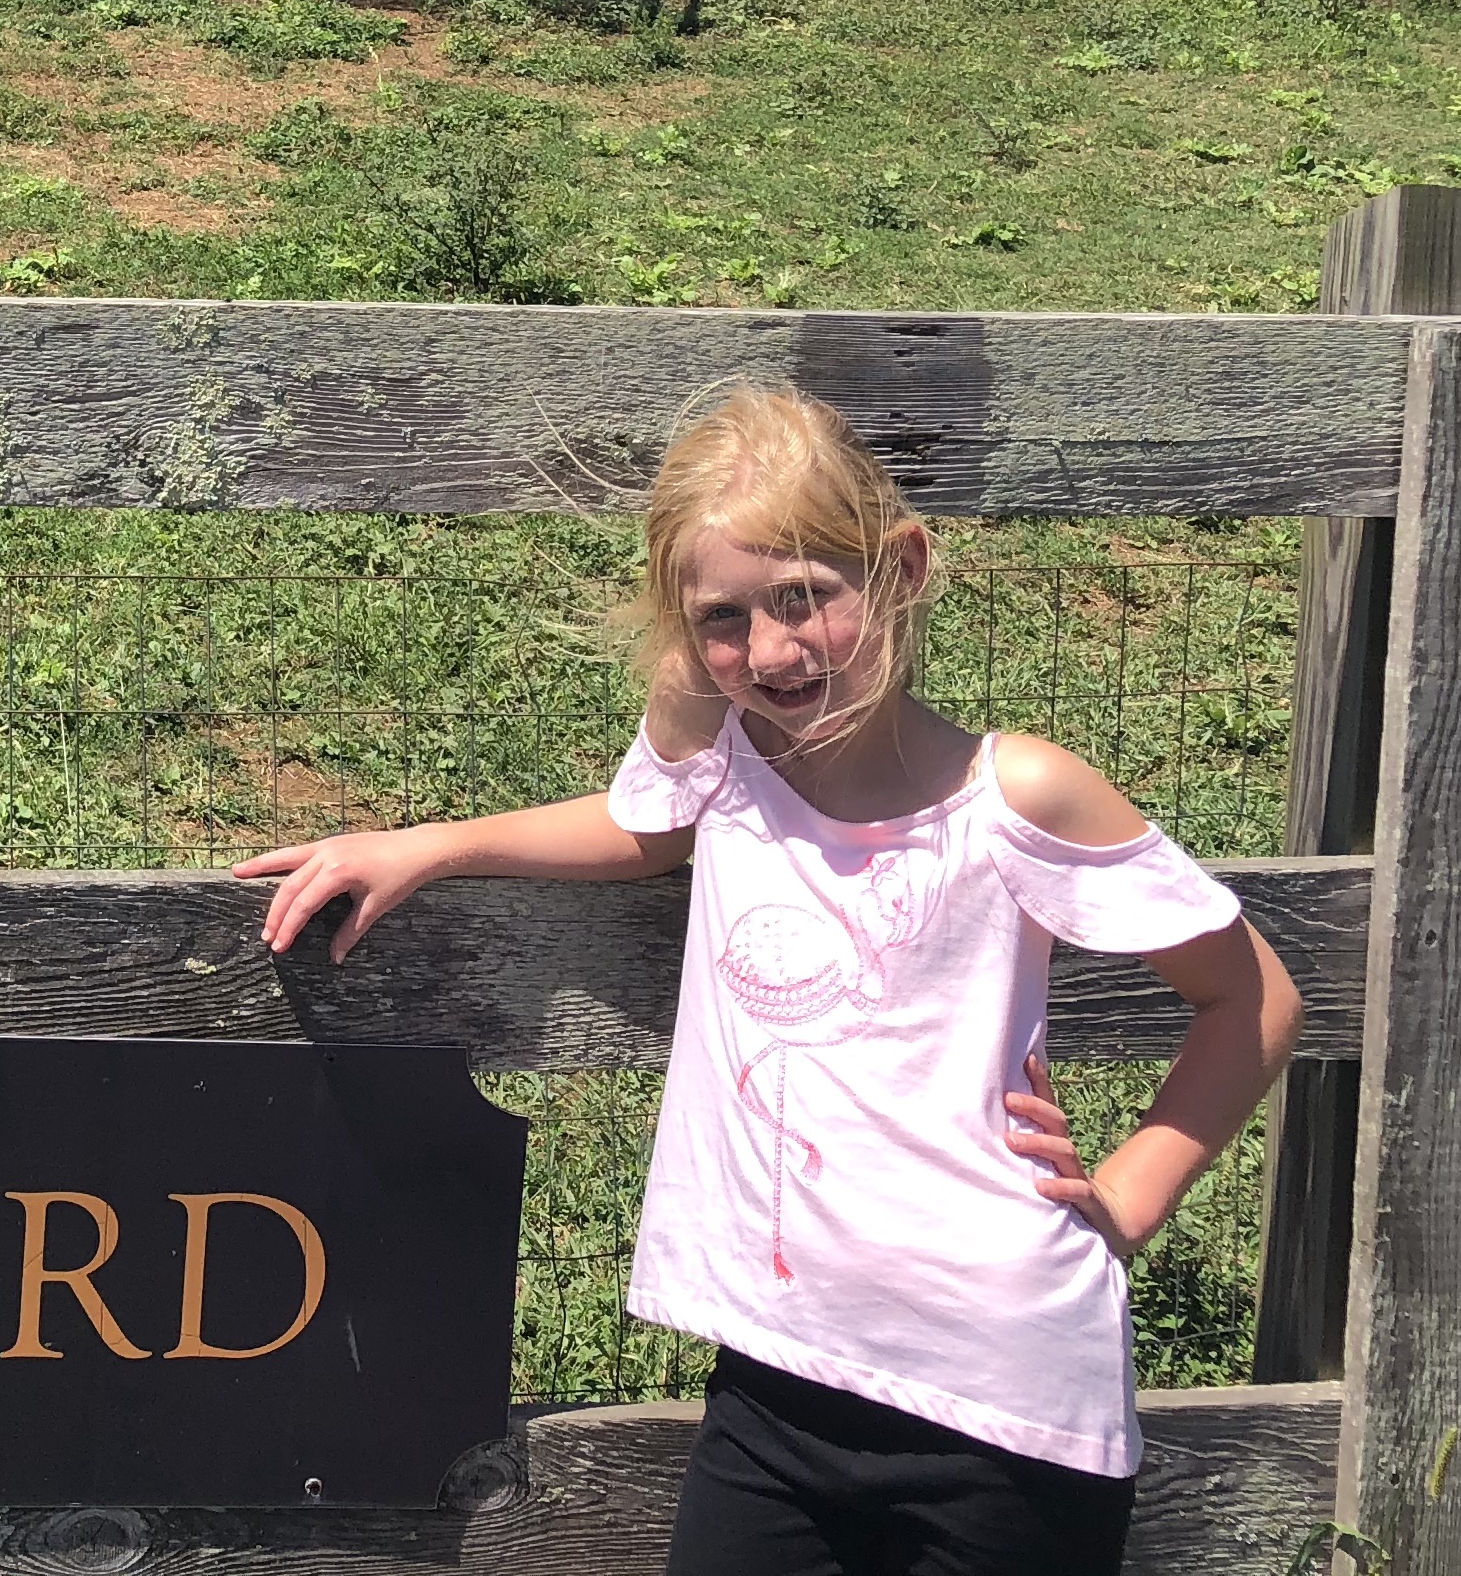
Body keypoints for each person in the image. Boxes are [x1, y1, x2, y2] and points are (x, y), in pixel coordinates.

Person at [237, 385, 1297, 1576]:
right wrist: (429, 846)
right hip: (774, 1382)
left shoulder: (1019, 799)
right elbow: (640, 826)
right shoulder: (724, 767)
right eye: (724, 619)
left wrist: (1127, 1202)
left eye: (804, 597)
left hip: (1005, 1403)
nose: (773, 651)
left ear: (901, 568)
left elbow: (1254, 999)